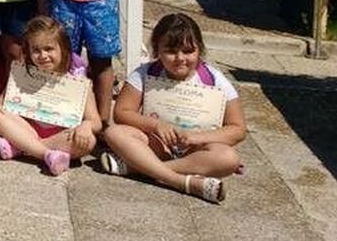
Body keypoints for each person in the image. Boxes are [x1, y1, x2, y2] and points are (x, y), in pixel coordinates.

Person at [100, 14, 244, 204]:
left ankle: (140, 167)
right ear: (157, 50)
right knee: (114, 133)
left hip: (195, 151)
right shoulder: (144, 74)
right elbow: (121, 112)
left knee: (228, 158)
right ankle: (182, 182)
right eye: (170, 51)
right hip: (155, 144)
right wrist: (156, 125)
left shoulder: (216, 80)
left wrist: (197, 137)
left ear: (200, 49)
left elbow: (237, 128)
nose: (180, 58)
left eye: (188, 51)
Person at [0, 16, 100, 176]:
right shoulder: (22, 73)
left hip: (60, 135)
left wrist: (86, 126)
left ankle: (22, 147)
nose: (43, 55)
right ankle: (46, 154)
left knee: (89, 141)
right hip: (25, 128)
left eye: (49, 49)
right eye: (36, 50)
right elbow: (1, 103)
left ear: (63, 48)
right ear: (28, 51)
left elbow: (95, 122)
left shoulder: (78, 81)